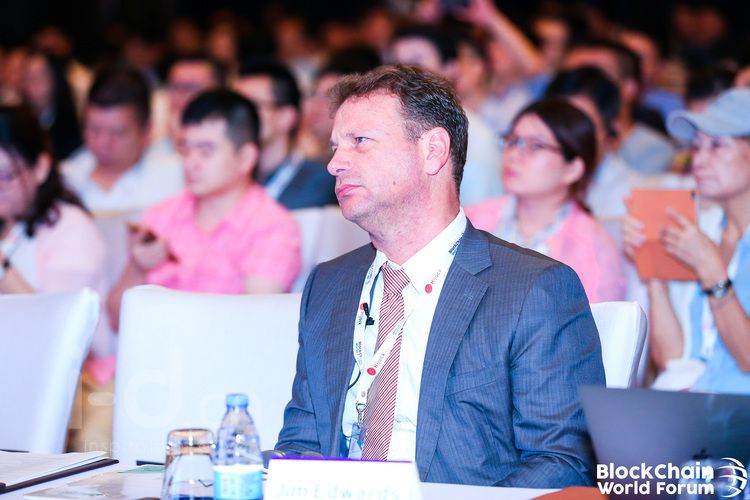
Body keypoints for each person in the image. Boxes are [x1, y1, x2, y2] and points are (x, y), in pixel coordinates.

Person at [275, 65, 605, 487]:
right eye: (335, 147)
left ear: (433, 151)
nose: (335, 164)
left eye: (360, 142)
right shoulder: (330, 285)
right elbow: (302, 440)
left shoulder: (532, 289)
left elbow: (563, 462)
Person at [107, 89, 301, 330]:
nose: (191, 162)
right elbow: (116, 320)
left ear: (245, 158)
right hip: (153, 348)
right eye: (185, 149)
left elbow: (254, 324)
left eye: (205, 151)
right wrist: (138, 268)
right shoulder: (161, 215)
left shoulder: (273, 226)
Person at [623, 88, 750, 395]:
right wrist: (653, 271)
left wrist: (713, 272)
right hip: (698, 402)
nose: (699, 160)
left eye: (717, 146)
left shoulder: (702, 245)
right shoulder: (706, 230)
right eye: (697, 147)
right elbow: (672, 360)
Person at [466, 97, 625, 303]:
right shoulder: (470, 220)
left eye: (535, 146)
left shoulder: (593, 249)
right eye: (512, 141)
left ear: (573, 169)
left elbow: (596, 323)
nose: (513, 154)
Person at [388, 25, 502, 206]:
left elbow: (478, 212)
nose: (403, 76)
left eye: (416, 64)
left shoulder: (475, 137)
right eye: (396, 65)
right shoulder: (388, 128)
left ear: (450, 68)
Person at [0, 104, 105, 295]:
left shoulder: (71, 228)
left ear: (40, 168)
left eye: (6, 175)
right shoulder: (7, 220)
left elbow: (57, 313)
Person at [61, 65, 184, 214]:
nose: (103, 142)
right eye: (94, 130)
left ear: (147, 130)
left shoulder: (176, 177)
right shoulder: (66, 178)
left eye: (117, 133)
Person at [233, 58, 337, 209]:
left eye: (252, 105)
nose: (237, 116)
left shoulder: (318, 183)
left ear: (286, 117)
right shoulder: (226, 179)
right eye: (234, 107)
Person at [20, 50, 82, 161]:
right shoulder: (17, 124)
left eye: (40, 76)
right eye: (28, 76)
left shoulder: (75, 127)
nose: (34, 83)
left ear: (55, 79)